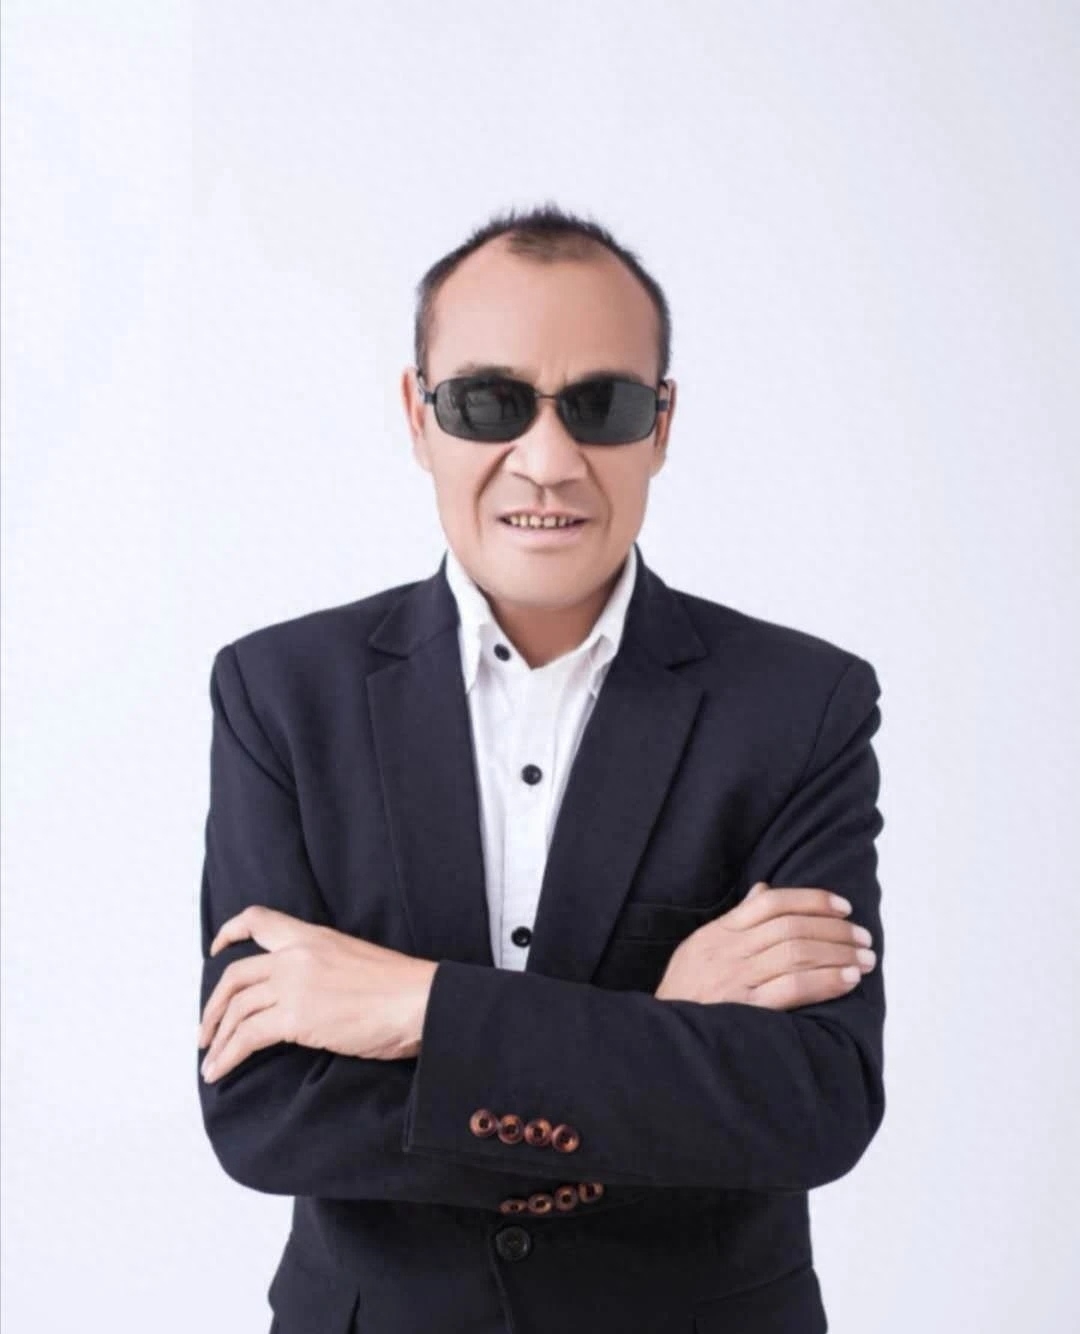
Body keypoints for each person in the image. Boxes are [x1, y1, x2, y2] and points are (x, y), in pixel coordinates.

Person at [196, 202, 886, 1334]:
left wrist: (415, 1006)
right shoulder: (280, 693)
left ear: (662, 424)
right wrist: (657, 1034)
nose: (550, 461)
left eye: (601, 405)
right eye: (491, 402)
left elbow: (813, 1102)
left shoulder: (801, 705)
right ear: (418, 415)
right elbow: (268, 1117)